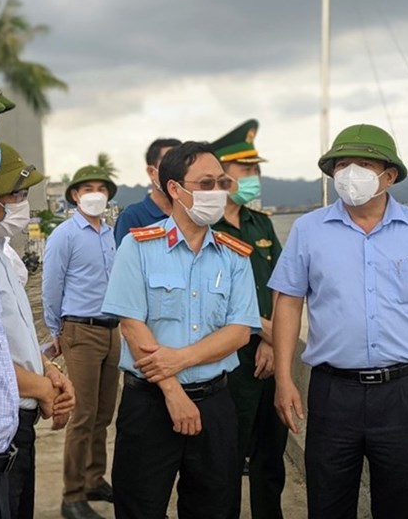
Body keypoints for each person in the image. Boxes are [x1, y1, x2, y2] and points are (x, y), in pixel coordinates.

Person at [270, 124, 408, 519]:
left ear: (389, 175)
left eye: (363, 164)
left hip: (404, 394)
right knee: (327, 506)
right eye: (342, 164)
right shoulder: (308, 230)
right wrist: (284, 378)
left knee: (402, 507)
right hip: (332, 393)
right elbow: (289, 304)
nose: (350, 174)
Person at [101, 141, 261, 519]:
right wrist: (173, 391)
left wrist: (180, 360)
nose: (217, 192)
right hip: (150, 405)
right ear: (175, 188)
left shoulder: (234, 255)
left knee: (216, 508)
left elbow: (239, 331)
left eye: (222, 183)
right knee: (139, 507)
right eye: (206, 183)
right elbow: (131, 323)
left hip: (216, 405)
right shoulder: (137, 248)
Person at [0, 143, 76, 519]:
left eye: (23, 194)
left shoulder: (1, 254)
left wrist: (50, 373)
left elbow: (19, 336)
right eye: (14, 194)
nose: (21, 203)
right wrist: (45, 389)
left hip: (21, 419)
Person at [209, 120, 288, 519]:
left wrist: (274, 342)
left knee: (270, 460)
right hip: (230, 359)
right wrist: (261, 330)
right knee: (223, 461)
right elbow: (212, 296)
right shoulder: (207, 228)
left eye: (257, 168)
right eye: (247, 169)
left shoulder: (261, 224)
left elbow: (282, 287)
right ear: (222, 173)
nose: (255, 176)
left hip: (271, 357)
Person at [42, 165, 119, 519]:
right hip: (80, 330)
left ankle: (93, 478)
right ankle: (72, 495)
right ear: (74, 195)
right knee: (83, 414)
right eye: (87, 188)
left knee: (103, 413)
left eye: (100, 188)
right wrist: (55, 330)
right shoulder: (64, 234)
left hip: (110, 329)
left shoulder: (109, 234)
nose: (94, 194)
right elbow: (52, 285)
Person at [113, 138, 182, 246]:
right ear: (151, 172)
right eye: (169, 164)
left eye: (181, 164)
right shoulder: (132, 217)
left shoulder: (191, 213)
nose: (177, 171)